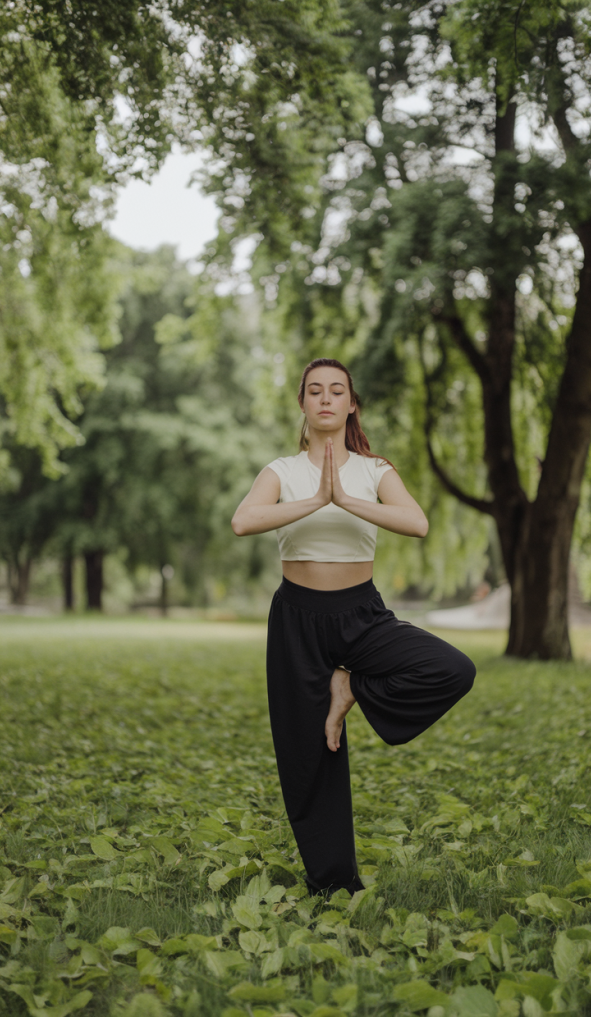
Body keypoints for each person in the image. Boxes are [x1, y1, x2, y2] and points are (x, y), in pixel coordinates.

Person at [231, 358, 476, 895]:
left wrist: (345, 497)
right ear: (302, 404)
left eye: (336, 390)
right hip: (296, 619)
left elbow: (417, 522)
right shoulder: (281, 470)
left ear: (351, 404)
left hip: (361, 615)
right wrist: (317, 499)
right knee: (308, 755)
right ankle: (335, 884)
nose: (325, 399)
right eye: (314, 390)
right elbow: (243, 521)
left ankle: (351, 686)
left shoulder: (375, 471)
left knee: (451, 668)